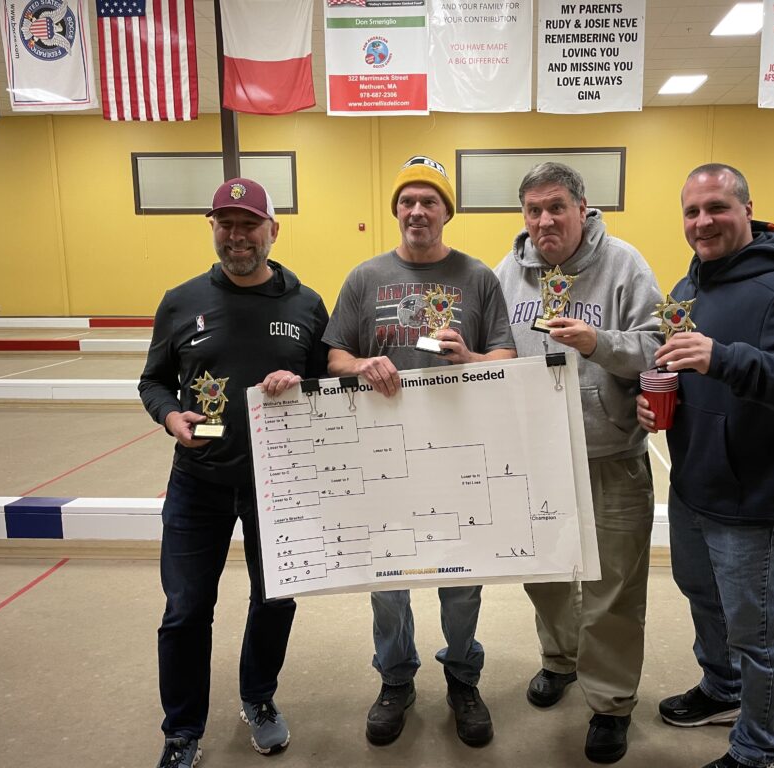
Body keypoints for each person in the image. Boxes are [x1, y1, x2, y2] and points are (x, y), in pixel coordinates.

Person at [636, 163, 774, 768]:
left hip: (756, 500)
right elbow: (679, 365)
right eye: (692, 212)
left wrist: (724, 358)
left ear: (747, 212)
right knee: (704, 599)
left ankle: (761, 749)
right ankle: (722, 688)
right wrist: (654, 401)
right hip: (695, 485)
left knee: (759, 634)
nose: (703, 222)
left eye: (717, 208)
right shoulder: (689, 286)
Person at [323, 155, 516, 748]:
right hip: (382, 455)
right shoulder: (364, 277)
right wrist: (362, 364)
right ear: (396, 210)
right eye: (407, 201)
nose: (417, 211)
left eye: (429, 201)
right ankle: (395, 679)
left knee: (463, 577)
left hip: (459, 453)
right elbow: (335, 357)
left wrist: (472, 359)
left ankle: (463, 677)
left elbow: (506, 355)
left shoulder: (478, 277)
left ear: (446, 211)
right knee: (388, 581)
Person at [139, 178, 330, 768]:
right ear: (213, 229)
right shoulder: (180, 301)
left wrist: (303, 384)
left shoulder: (306, 304)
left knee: (276, 599)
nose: (237, 235)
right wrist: (170, 416)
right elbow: (153, 381)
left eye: (249, 224)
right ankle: (181, 730)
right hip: (198, 481)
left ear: (274, 230)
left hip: (280, 484)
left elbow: (328, 385)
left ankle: (259, 698)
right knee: (185, 610)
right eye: (226, 223)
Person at [493, 162, 662, 764]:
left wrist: (599, 344)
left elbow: (658, 345)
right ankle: (560, 659)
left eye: (557, 207)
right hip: (534, 460)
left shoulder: (625, 265)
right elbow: (494, 350)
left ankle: (611, 702)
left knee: (613, 587)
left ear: (582, 209)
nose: (545, 221)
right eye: (534, 210)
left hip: (609, 454)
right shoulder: (506, 273)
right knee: (544, 575)